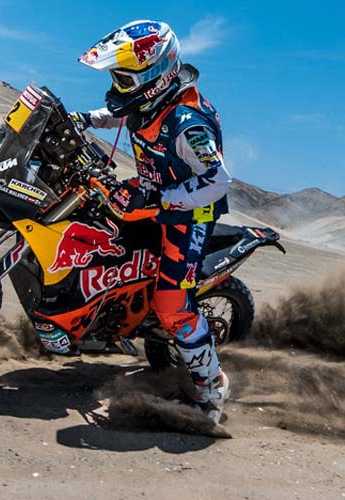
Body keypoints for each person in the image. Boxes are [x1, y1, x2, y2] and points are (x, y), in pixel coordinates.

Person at [72, 20, 231, 424]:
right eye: (115, 75)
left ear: (155, 76)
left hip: (188, 214)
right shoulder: (149, 102)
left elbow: (217, 181)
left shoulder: (188, 125)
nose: (116, 84)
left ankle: (211, 388)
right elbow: (122, 115)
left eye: (123, 78)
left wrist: (163, 198)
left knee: (172, 307)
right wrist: (84, 119)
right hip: (152, 194)